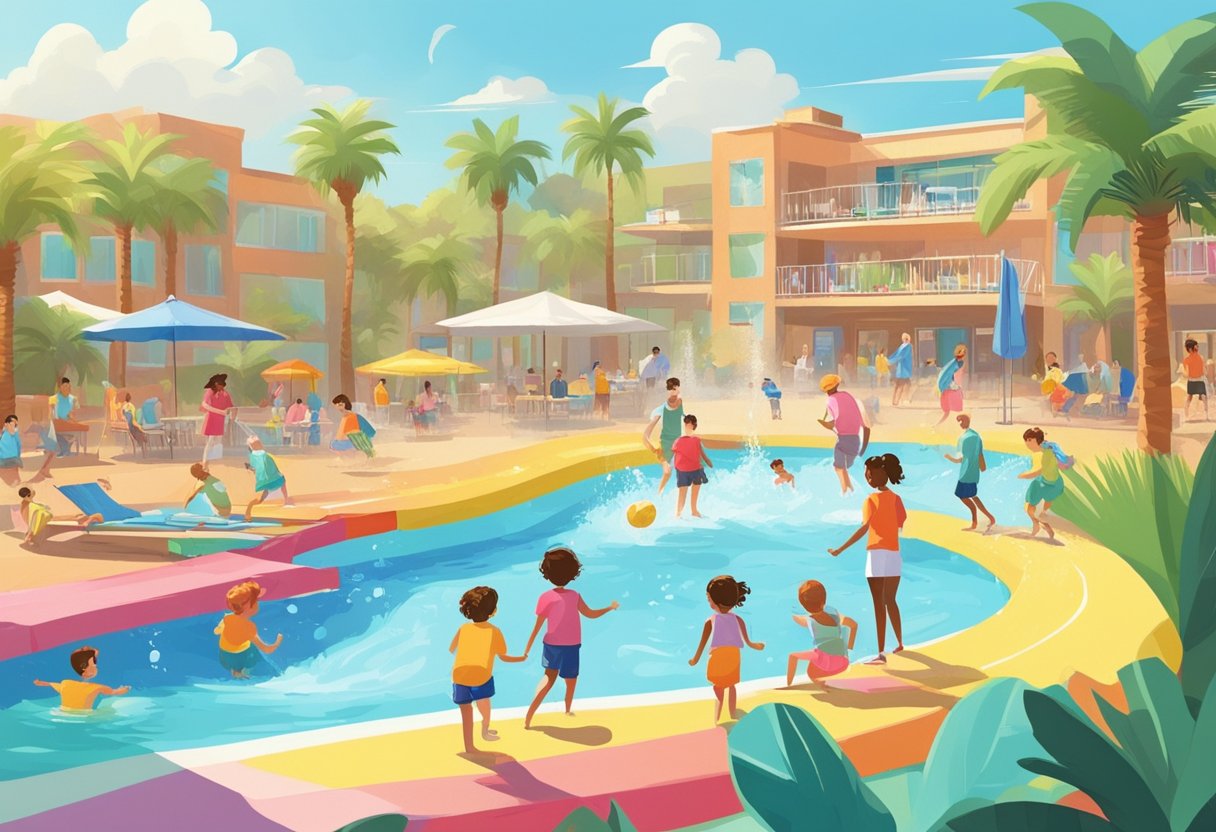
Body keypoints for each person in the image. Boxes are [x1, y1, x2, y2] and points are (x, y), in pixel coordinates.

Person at [522, 547, 619, 729]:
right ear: (573, 572)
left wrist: (527, 649)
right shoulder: (574, 596)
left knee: (548, 679)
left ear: (547, 572)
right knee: (571, 679)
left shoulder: (546, 597)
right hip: (571, 646)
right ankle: (567, 709)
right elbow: (590, 614)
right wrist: (609, 608)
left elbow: (538, 626)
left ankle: (529, 716)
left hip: (551, 644)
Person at [828, 454, 907, 664]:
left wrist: (840, 549)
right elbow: (901, 522)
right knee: (891, 600)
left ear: (873, 476)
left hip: (876, 554)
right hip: (893, 554)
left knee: (878, 605)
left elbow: (864, 528)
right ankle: (899, 642)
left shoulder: (871, 500)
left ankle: (881, 653)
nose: (866, 477)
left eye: (867, 473)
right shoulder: (897, 499)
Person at [450, 585, 527, 754]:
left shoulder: (463, 629)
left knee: (466, 712)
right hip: (480, 676)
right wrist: (520, 658)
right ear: (492, 611)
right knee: (484, 702)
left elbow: (452, 648)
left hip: (459, 676)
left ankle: (469, 746)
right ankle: (485, 729)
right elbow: (503, 656)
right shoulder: (494, 631)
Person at [687, 575, 765, 724]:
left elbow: (702, 644)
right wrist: (756, 645)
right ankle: (732, 712)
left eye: (709, 599)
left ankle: (717, 717)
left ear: (716, 602)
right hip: (734, 656)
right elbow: (747, 641)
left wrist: (695, 659)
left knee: (718, 689)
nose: (709, 602)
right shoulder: (738, 619)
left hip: (718, 657)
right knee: (732, 685)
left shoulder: (711, 621)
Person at [784, 580, 857, 689]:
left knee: (794, 657)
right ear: (824, 600)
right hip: (843, 662)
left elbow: (803, 621)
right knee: (830, 644)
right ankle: (828, 681)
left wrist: (793, 617)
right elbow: (853, 625)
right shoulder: (833, 612)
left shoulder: (810, 620)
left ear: (803, 606)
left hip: (824, 663)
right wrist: (849, 647)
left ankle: (789, 685)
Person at [214, 581, 282, 678]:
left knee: (239, 645)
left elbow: (216, 631)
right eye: (256, 602)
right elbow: (266, 649)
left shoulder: (227, 618)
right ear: (250, 607)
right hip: (241, 658)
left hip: (224, 657)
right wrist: (277, 643)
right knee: (254, 650)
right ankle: (244, 671)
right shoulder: (249, 627)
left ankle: (235, 670)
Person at [817, 374, 871, 495]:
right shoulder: (847, 395)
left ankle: (845, 490)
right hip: (855, 439)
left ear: (825, 390)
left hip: (844, 439)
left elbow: (835, 421)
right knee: (843, 466)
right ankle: (850, 488)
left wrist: (825, 424)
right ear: (837, 385)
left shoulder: (830, 401)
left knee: (839, 467)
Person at [33, 646, 129, 711]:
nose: (96, 667)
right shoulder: (96, 688)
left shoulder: (65, 684)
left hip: (62, 714)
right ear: (84, 667)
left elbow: (51, 684)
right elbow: (114, 692)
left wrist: (40, 683)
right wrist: (126, 689)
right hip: (84, 717)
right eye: (94, 664)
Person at [1019, 427, 1073, 540]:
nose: (1027, 444)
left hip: (1044, 484)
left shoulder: (1048, 454)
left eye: (1029, 440)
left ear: (1035, 440)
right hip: (1055, 484)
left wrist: (1024, 475)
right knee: (1043, 504)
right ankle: (1038, 523)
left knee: (1028, 507)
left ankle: (1041, 523)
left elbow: (1040, 471)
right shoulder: (1047, 450)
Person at [944, 414, 995, 531]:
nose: (960, 424)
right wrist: (982, 466)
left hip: (966, 473)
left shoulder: (965, 438)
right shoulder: (976, 436)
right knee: (972, 495)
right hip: (972, 472)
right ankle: (990, 517)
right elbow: (978, 454)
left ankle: (974, 523)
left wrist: (950, 458)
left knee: (963, 496)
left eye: (960, 421)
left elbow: (963, 458)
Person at [642, 378, 684, 496]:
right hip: (665, 446)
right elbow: (645, 435)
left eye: (676, 389)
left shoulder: (680, 402)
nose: (674, 392)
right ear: (668, 391)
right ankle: (658, 494)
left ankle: (679, 492)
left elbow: (678, 405)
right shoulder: (661, 410)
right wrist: (653, 448)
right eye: (671, 389)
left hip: (677, 444)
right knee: (667, 472)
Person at [672, 414, 712, 518]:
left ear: (694, 426)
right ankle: (678, 513)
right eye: (686, 425)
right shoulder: (678, 441)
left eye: (690, 425)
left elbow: (700, 453)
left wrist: (707, 461)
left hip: (695, 469)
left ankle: (694, 510)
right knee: (683, 491)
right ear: (685, 425)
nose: (688, 427)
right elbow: (675, 455)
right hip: (683, 470)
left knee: (696, 487)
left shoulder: (696, 440)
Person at [244, 435, 292, 520]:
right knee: (282, 480)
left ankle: (249, 510)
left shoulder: (254, 456)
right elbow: (268, 467)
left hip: (265, 481)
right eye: (259, 443)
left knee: (260, 499)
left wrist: (249, 468)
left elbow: (256, 468)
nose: (261, 444)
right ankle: (286, 500)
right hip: (272, 479)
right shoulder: (263, 455)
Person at [200, 374, 234, 465]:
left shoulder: (225, 394)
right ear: (216, 384)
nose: (222, 386)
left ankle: (216, 459)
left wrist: (229, 413)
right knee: (211, 440)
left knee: (219, 440)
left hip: (220, 420)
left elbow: (230, 406)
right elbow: (205, 405)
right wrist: (221, 412)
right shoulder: (209, 392)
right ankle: (205, 460)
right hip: (211, 419)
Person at [331, 394, 375, 458]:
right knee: (335, 443)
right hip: (356, 441)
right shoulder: (352, 416)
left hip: (352, 442)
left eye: (340, 405)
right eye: (336, 405)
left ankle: (349, 454)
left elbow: (342, 435)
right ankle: (349, 454)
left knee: (334, 444)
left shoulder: (348, 417)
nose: (337, 407)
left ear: (345, 404)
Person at [934, 345, 967, 428]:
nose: (962, 354)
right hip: (950, 388)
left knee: (948, 411)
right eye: (961, 352)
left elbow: (949, 374)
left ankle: (936, 425)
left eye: (964, 352)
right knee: (950, 411)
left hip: (949, 387)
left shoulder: (955, 363)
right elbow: (950, 374)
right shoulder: (956, 364)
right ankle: (937, 425)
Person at [1182, 339, 1208, 421]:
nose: (1197, 347)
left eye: (1197, 346)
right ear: (1190, 349)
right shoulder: (1186, 360)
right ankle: (1186, 415)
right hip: (1192, 381)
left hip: (1199, 380)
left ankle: (1206, 415)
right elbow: (1186, 372)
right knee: (1189, 397)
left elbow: (1204, 370)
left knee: (1204, 397)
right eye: (1196, 346)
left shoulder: (1201, 357)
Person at [890, 333, 913, 406]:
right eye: (905, 338)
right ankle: (897, 401)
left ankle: (897, 400)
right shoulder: (906, 346)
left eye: (906, 338)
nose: (905, 339)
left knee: (901, 385)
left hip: (903, 368)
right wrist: (890, 360)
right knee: (901, 385)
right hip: (904, 369)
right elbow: (898, 355)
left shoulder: (906, 346)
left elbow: (899, 355)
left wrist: (890, 361)